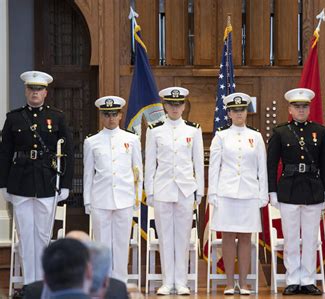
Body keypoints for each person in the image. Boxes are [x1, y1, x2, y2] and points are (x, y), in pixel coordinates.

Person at [0, 71, 74, 288]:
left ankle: (42, 282)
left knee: (43, 236)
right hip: (20, 183)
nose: (35, 93)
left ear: (45, 92)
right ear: (26, 91)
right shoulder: (13, 117)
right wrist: (3, 184)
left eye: (39, 89)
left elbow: (67, 151)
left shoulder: (57, 117)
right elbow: (4, 153)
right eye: (31, 89)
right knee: (25, 235)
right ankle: (29, 283)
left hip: (47, 182)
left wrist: (66, 184)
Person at [267, 88, 325, 296]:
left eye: (304, 106)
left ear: (309, 108)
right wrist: (272, 192)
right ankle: (293, 279)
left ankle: (309, 279)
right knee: (291, 238)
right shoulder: (280, 132)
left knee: (311, 238)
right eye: (297, 106)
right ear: (290, 109)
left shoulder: (320, 131)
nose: (301, 110)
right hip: (289, 189)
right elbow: (271, 164)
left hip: (313, 189)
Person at [145, 87, 204, 295]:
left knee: (182, 237)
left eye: (179, 104)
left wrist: (200, 191)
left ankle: (181, 281)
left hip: (186, 190)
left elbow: (198, 162)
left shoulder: (193, 129)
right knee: (165, 236)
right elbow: (150, 163)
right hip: (162, 188)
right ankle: (166, 281)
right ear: (165, 106)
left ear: (184, 105)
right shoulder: (154, 129)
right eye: (171, 104)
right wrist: (149, 191)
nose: (175, 108)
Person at [208, 92, 268, 295]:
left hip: (249, 193)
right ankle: (228, 283)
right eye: (235, 110)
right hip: (226, 193)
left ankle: (243, 283)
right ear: (229, 113)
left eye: (242, 109)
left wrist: (263, 193)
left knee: (245, 237)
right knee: (227, 236)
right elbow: (214, 167)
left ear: (246, 112)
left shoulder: (256, 136)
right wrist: (212, 193)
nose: (239, 113)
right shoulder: (221, 136)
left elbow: (262, 168)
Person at [83, 96, 143, 282]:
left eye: (114, 114)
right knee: (102, 244)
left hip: (125, 198)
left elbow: (138, 172)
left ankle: (120, 282)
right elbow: (88, 174)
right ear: (102, 116)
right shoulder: (92, 141)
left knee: (121, 243)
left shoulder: (131, 139)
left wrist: (137, 199)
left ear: (120, 115)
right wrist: (87, 201)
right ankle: (102, 282)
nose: (110, 118)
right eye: (107, 114)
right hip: (100, 199)